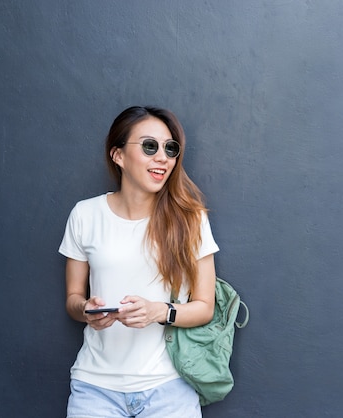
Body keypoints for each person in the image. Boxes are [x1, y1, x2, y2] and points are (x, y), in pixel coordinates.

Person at [59, 106, 219, 418]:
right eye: (150, 146)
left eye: (170, 149)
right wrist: (87, 311)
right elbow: (72, 300)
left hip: (170, 389)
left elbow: (205, 307)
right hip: (95, 388)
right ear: (118, 155)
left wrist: (158, 311)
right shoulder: (85, 215)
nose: (163, 157)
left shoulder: (191, 220)